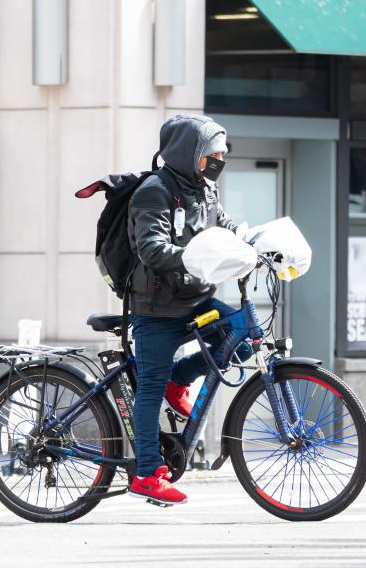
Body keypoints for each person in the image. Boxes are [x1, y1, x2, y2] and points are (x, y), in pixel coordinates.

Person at [125, 114, 244, 506]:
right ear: (190, 153)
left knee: (239, 336)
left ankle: (182, 377)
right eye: (214, 153)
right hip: (157, 309)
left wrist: (256, 247)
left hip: (196, 300)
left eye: (223, 154)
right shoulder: (153, 192)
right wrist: (192, 256)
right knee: (150, 389)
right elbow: (151, 249)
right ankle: (146, 473)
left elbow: (228, 231)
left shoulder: (205, 190)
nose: (220, 161)